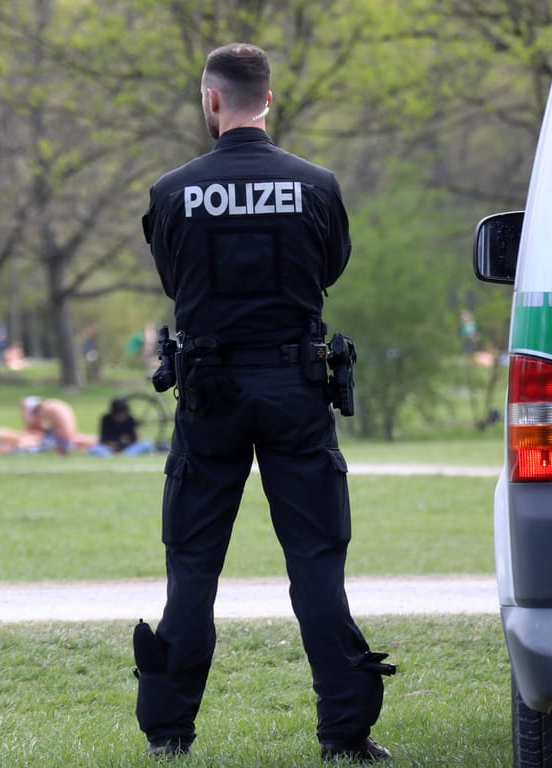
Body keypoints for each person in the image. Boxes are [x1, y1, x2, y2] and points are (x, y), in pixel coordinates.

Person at [133, 43, 394, 761]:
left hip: (209, 392)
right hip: (295, 390)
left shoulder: (169, 192)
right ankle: (345, 731)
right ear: (267, 100)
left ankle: (169, 730)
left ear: (211, 101)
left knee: (193, 566)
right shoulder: (317, 185)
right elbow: (331, 266)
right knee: (314, 561)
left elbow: (172, 278)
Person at [20, 396, 97, 455]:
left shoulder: (44, 410)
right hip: (68, 434)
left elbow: (34, 427)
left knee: (32, 439)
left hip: (64, 438)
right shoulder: (50, 405)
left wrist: (25, 415)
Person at [88, 398, 153, 456]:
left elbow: (134, 438)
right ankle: (113, 456)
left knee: (147, 444)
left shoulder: (130, 419)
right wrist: (112, 443)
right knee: (95, 449)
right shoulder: (106, 419)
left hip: (127, 448)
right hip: (109, 449)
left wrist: (127, 441)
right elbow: (103, 438)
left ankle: (123, 455)